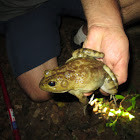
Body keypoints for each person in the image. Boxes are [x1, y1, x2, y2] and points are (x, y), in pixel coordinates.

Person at [0, 0, 139, 101]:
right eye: (51, 80)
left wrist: (104, 24)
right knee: (40, 92)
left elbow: (83, 99)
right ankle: (88, 38)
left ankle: (86, 34)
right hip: (23, 10)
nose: (48, 78)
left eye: (51, 81)